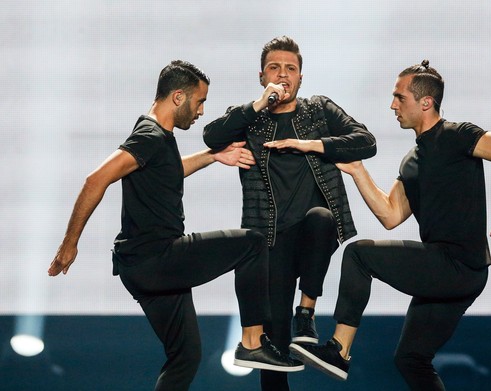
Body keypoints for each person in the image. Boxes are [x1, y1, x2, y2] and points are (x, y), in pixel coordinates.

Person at [47, 60, 304, 391]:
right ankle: (253, 341)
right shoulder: (150, 135)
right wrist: (70, 244)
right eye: (200, 102)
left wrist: (212, 155)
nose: (200, 112)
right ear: (179, 97)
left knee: (186, 356)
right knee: (252, 244)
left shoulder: (157, 137)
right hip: (157, 257)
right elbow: (96, 179)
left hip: (142, 268)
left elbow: (167, 170)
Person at [289, 60, 491, 390]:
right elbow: (390, 215)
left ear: (425, 102)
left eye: (399, 98)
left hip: (459, 265)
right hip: (452, 272)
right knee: (410, 359)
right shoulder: (412, 161)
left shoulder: (457, 135)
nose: (392, 105)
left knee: (359, 255)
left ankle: (339, 350)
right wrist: (359, 172)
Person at [203, 36, 377, 390]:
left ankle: (307, 312)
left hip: (313, 233)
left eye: (290, 69)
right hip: (270, 241)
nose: (283, 75)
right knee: (275, 352)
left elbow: (366, 141)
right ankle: (288, 332)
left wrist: (311, 144)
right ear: (262, 75)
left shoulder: (319, 111)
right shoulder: (250, 119)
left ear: (301, 77)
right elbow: (211, 135)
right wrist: (258, 105)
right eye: (274, 68)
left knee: (321, 218)